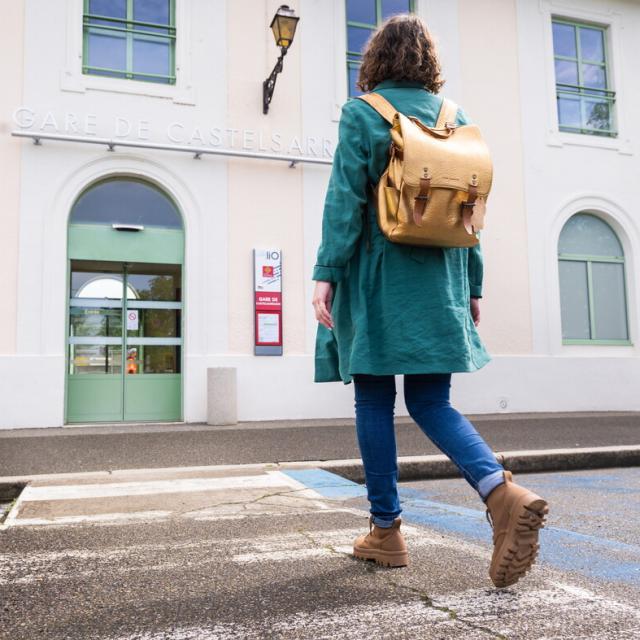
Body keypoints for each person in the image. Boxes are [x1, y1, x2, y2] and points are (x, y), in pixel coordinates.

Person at [311, 14, 548, 589]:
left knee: (372, 398)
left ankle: (387, 530)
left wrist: (326, 273)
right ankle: (499, 490)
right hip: (440, 276)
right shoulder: (454, 118)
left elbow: (344, 201)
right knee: (430, 399)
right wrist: (471, 285)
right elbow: (473, 212)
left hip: (376, 274)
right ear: (428, 63)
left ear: (375, 61)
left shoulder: (362, 112)